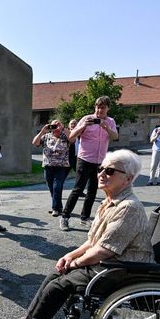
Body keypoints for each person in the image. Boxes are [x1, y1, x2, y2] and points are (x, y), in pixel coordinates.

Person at [0, 150, 154, 319]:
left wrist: (74, 264)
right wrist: (69, 256)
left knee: (59, 284)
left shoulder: (128, 207)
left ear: (128, 178)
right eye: (101, 169)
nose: (102, 174)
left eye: (110, 171)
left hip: (119, 270)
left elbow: (104, 250)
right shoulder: (109, 203)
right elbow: (92, 241)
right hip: (107, 263)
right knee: (55, 273)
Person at [60, 96, 119, 231]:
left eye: (103, 108)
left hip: (100, 162)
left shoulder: (110, 122)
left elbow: (115, 136)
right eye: (98, 107)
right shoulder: (86, 119)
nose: (99, 110)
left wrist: (106, 128)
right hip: (84, 160)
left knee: (92, 191)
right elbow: (71, 137)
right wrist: (82, 126)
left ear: (108, 108)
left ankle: (85, 218)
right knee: (78, 189)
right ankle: (65, 217)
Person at [32, 120, 70, 217]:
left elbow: (72, 139)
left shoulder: (64, 136)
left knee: (57, 187)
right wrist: (42, 131)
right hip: (48, 166)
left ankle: (55, 209)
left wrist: (63, 127)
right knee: (52, 188)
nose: (55, 127)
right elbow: (35, 143)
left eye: (57, 125)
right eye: (54, 125)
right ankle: (59, 206)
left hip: (61, 167)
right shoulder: (46, 136)